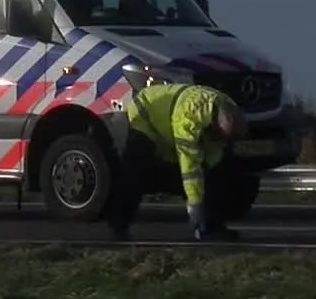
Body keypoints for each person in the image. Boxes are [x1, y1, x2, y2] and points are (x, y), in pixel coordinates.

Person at [104, 80, 247, 242]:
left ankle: (212, 227)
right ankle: (118, 225)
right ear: (217, 124)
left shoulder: (225, 109)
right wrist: (195, 205)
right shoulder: (190, 118)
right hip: (146, 115)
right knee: (135, 173)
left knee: (214, 176)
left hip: (168, 120)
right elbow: (189, 167)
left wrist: (209, 183)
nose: (223, 141)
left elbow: (212, 160)